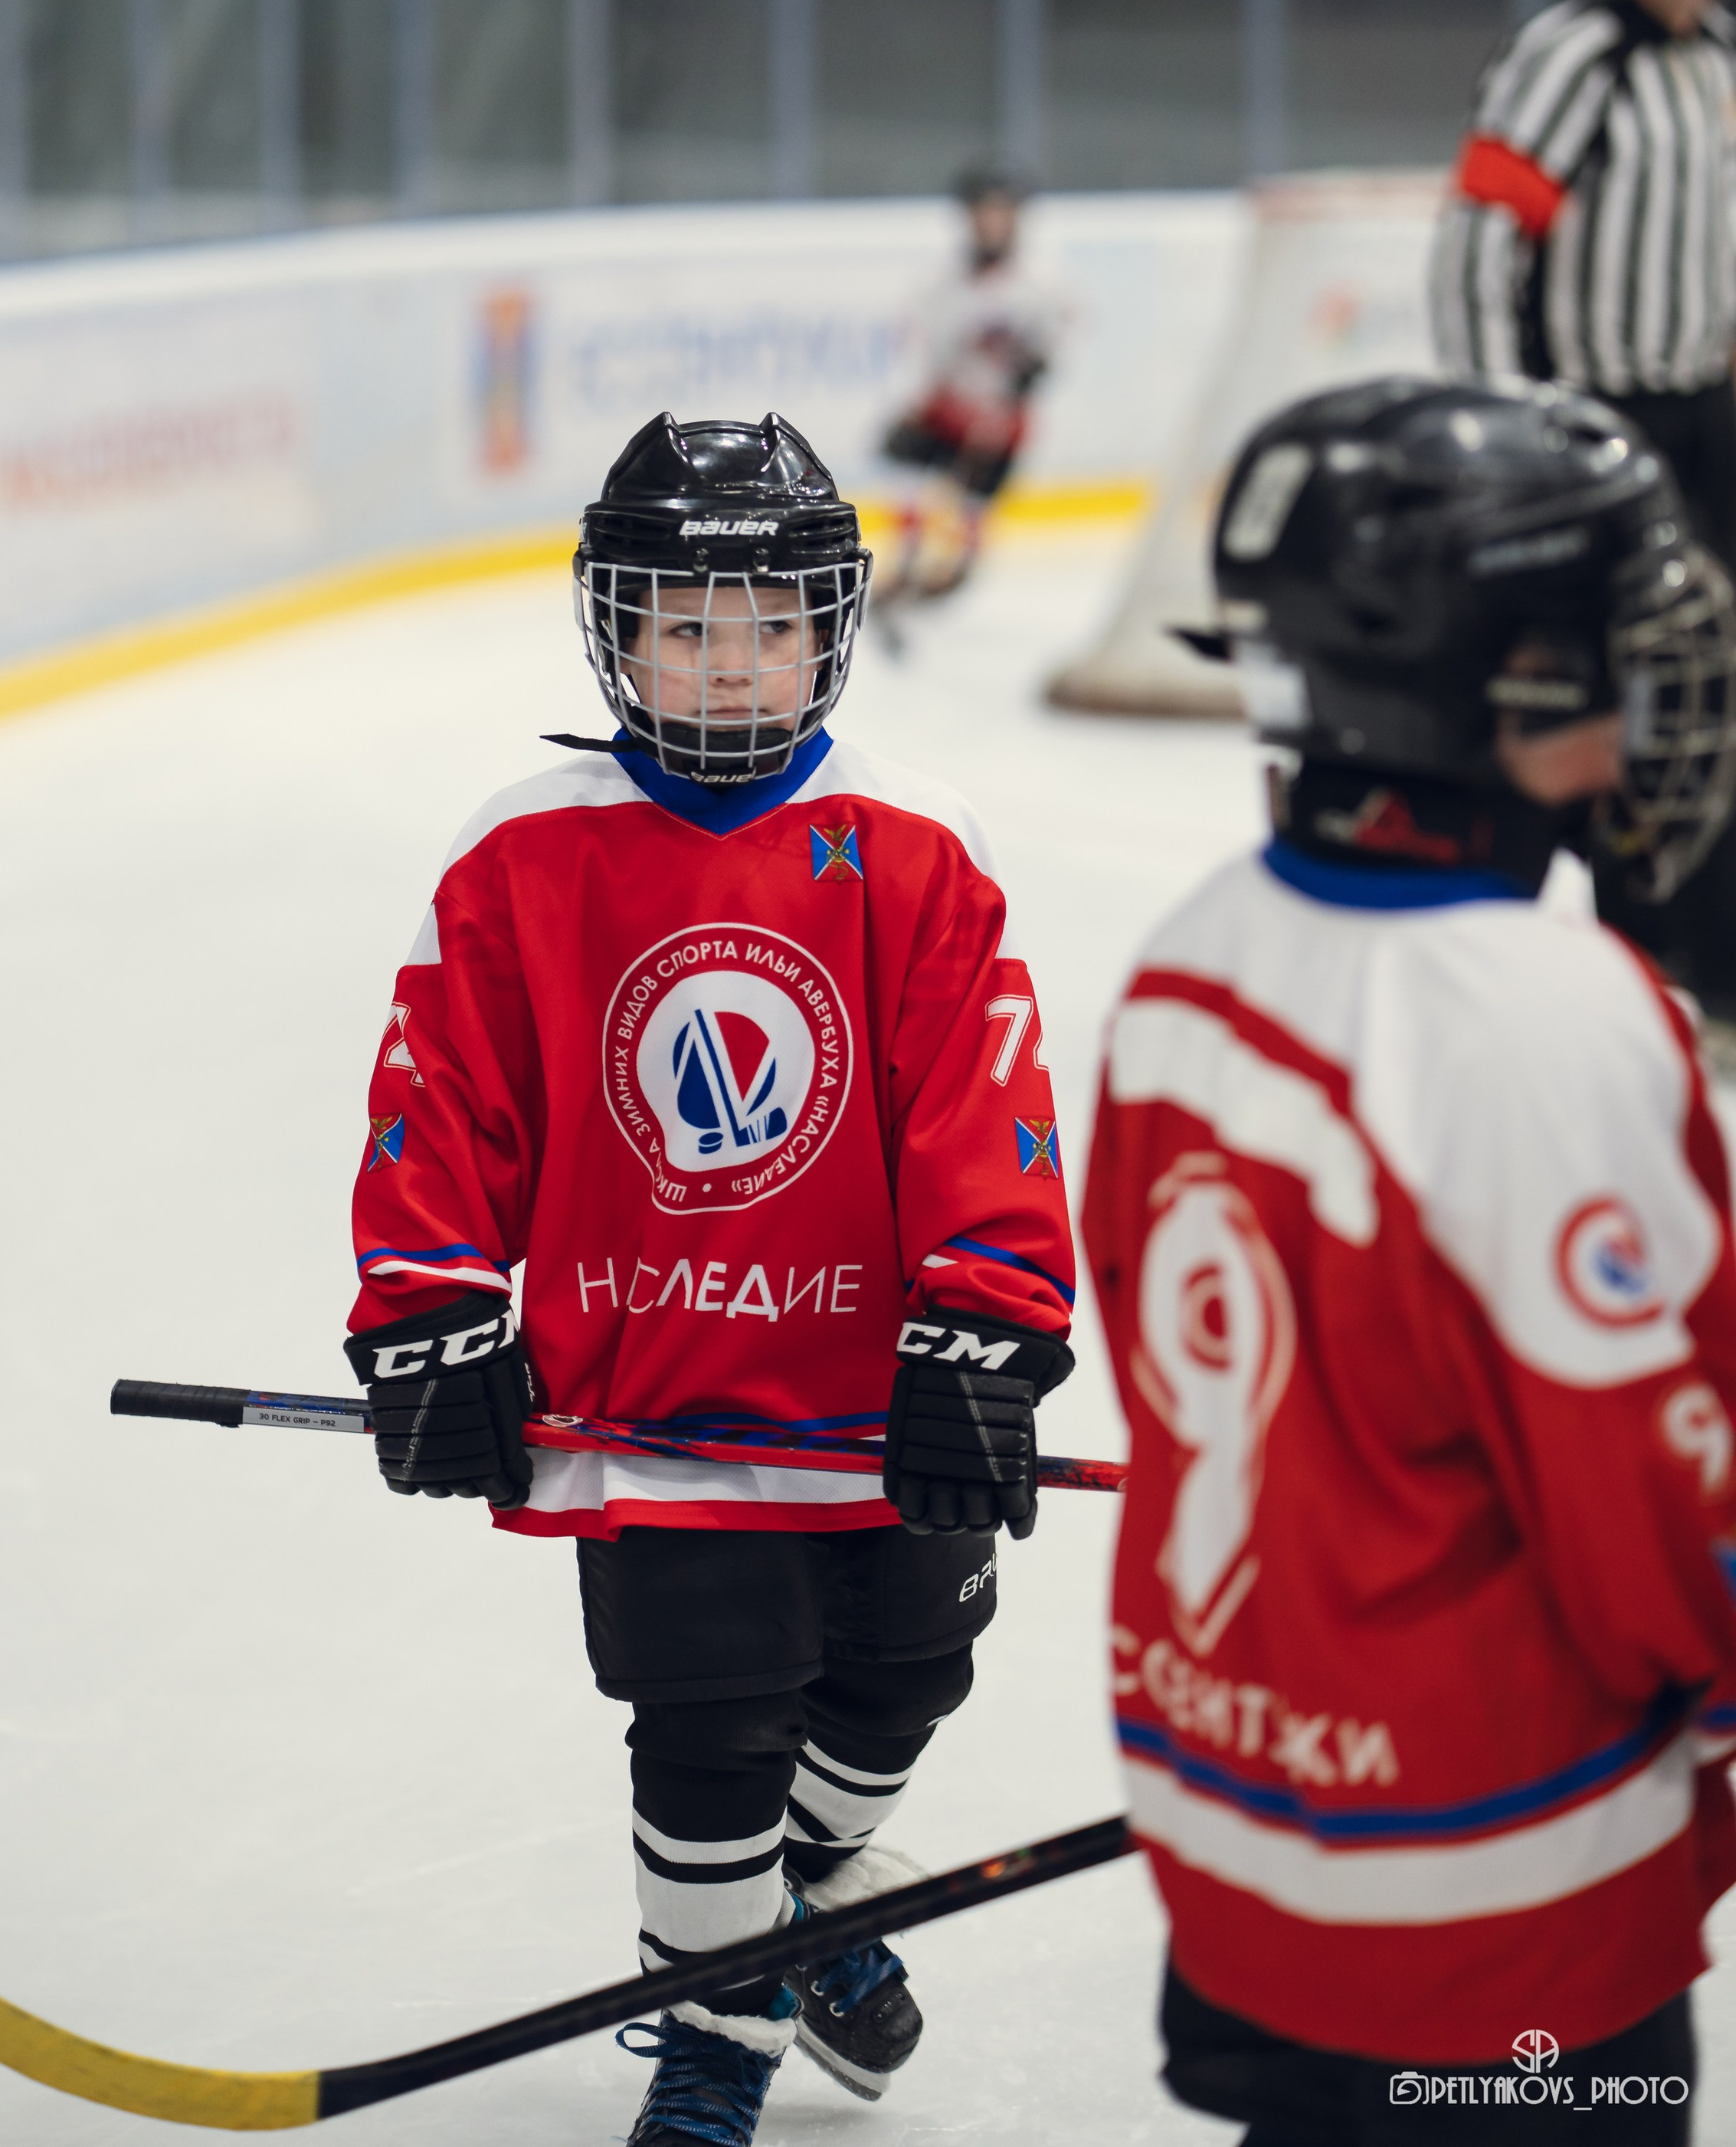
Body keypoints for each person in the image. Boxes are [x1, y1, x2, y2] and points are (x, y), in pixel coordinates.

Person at [343, 410, 1074, 2147]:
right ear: (614, 626)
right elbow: (442, 1090)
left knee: (908, 1674)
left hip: (875, 1390)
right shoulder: (526, 845)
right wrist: (430, 1307)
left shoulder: (911, 838)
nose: (730, 665)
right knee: (705, 1729)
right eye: (684, 622)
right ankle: (709, 2037)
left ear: (829, 626)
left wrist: (988, 1317)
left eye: (766, 626)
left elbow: (987, 1092)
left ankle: (799, 1904)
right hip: (649, 1401)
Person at [1083, 373, 1736, 2145]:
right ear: (1486, 685)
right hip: (1484, 1899)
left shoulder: (1187, 952)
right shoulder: (1540, 1018)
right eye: (1601, 644)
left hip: (1231, 1817)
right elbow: (1647, 1530)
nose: (1648, 686)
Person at [1429, 0, 1736, 1031]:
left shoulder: (1720, 58)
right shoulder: (1571, 58)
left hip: (1708, 425)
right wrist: (1510, 432)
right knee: (1576, 703)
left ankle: (1695, 959)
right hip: (1593, 430)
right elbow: (1475, 253)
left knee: (1710, 691)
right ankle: (1517, 958)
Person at [873, 165, 1066, 647]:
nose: (995, 224)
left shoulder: (1040, 283)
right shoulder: (944, 283)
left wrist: (1012, 395)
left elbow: (1050, 351)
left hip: (1000, 414)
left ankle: (962, 561)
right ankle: (912, 553)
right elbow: (926, 352)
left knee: (982, 482)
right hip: (953, 404)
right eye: (986, 214)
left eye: (1003, 214)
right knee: (904, 450)